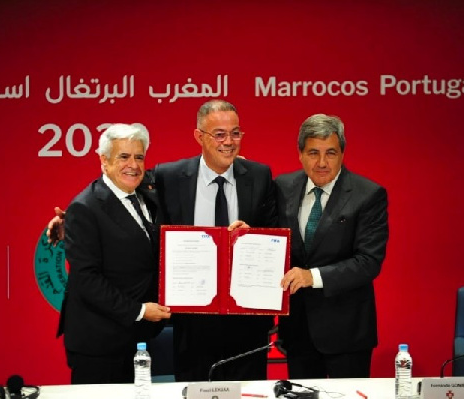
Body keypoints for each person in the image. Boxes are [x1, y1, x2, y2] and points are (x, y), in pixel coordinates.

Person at [153, 99, 277, 381]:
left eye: (236, 133)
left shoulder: (260, 176)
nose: (229, 142)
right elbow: (125, 190)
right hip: (193, 321)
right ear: (199, 136)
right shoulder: (169, 176)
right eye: (219, 134)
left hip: (247, 319)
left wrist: (253, 236)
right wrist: (70, 216)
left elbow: (276, 232)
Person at [57, 123, 171, 384]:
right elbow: (87, 280)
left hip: (137, 337)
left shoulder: (146, 194)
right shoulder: (85, 208)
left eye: (139, 157)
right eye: (124, 156)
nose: (133, 164)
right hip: (99, 342)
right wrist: (140, 310)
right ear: (103, 160)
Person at [276, 114, 389, 379]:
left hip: (347, 333)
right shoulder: (282, 187)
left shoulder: (368, 194)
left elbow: (368, 262)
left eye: (331, 153)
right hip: (297, 331)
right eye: (313, 152)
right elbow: (272, 239)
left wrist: (311, 277)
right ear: (300, 154)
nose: (323, 162)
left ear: (342, 154)